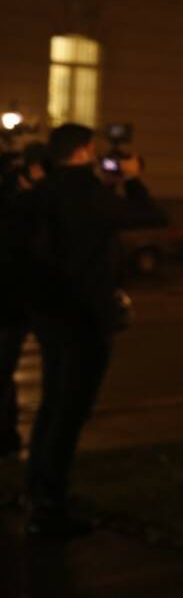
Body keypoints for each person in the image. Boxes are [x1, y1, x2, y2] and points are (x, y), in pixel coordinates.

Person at [24, 124, 166, 537]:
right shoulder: (91, 195)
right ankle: (49, 508)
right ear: (85, 152)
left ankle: (37, 491)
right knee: (70, 412)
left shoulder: (42, 194)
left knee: (52, 406)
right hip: (86, 317)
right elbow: (152, 217)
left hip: (48, 314)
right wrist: (133, 179)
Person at [0, 143, 49, 460]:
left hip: (15, 304)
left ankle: (7, 440)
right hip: (12, 302)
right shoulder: (20, 206)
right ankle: (7, 441)